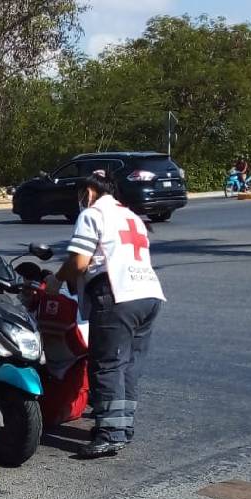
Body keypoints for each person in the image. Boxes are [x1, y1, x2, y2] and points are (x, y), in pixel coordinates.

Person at [47, 170, 165, 458]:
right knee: (128, 366)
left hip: (117, 295)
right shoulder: (131, 216)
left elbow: (79, 261)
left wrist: (57, 280)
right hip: (148, 294)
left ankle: (110, 434)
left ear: (88, 192)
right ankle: (123, 428)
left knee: (107, 365)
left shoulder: (93, 214)